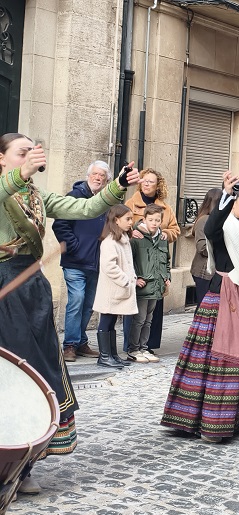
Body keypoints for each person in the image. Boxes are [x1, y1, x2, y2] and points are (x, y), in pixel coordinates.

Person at [0, 133, 139, 494]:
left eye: (33, 151)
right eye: (22, 152)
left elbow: (83, 209)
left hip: (31, 289)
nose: (30, 157)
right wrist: (19, 175)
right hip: (3, 290)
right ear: (2, 159)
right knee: (7, 378)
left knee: (38, 374)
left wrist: (117, 186)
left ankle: (23, 466)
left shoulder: (36, 195)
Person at [161, 172, 239, 443]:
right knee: (217, 357)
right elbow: (211, 229)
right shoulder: (223, 226)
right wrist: (226, 194)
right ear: (234, 202)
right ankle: (203, 418)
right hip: (223, 295)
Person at [52, 160, 113, 361]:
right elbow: (60, 225)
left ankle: (80, 342)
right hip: (75, 262)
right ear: (88, 176)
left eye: (102, 176)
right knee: (76, 301)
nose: (98, 178)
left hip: (96, 263)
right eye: (95, 174)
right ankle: (69, 345)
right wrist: (75, 246)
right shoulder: (74, 197)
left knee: (88, 305)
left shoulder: (106, 202)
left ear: (106, 181)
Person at [124, 168, 180, 353]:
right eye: (144, 181)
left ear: (158, 186)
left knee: (151, 314)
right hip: (141, 264)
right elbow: (122, 225)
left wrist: (164, 233)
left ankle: (148, 346)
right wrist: (132, 230)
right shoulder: (131, 203)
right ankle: (133, 346)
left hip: (157, 263)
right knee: (138, 314)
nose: (147, 184)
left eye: (151, 182)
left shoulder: (166, 208)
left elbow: (175, 230)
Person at [93, 205, 138, 368]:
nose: (130, 222)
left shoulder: (122, 239)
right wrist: (125, 280)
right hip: (112, 289)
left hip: (117, 289)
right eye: (127, 219)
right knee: (106, 320)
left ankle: (112, 354)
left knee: (111, 321)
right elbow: (109, 266)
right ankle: (105, 356)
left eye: (131, 218)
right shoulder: (110, 241)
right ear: (116, 220)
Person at [128, 204, 171, 363]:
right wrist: (134, 278)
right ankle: (133, 349)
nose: (154, 223)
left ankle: (144, 348)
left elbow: (167, 261)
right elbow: (128, 261)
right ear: (144, 219)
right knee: (139, 319)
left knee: (148, 319)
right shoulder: (136, 238)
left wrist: (167, 277)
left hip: (157, 286)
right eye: (151, 219)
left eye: (157, 220)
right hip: (142, 285)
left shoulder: (162, 238)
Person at [189, 188, 220, 306]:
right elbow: (202, 247)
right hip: (204, 271)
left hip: (214, 271)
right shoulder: (204, 220)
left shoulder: (217, 220)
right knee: (203, 307)